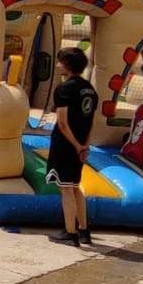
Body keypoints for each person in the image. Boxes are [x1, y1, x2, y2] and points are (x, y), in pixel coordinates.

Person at [43, 46, 100, 247]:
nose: (58, 65)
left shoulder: (65, 89)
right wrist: (85, 145)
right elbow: (92, 120)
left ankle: (70, 233)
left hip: (65, 145)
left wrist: (76, 145)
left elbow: (62, 123)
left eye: (60, 61)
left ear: (67, 65)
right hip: (81, 144)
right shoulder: (90, 90)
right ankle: (84, 230)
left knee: (66, 188)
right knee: (75, 187)